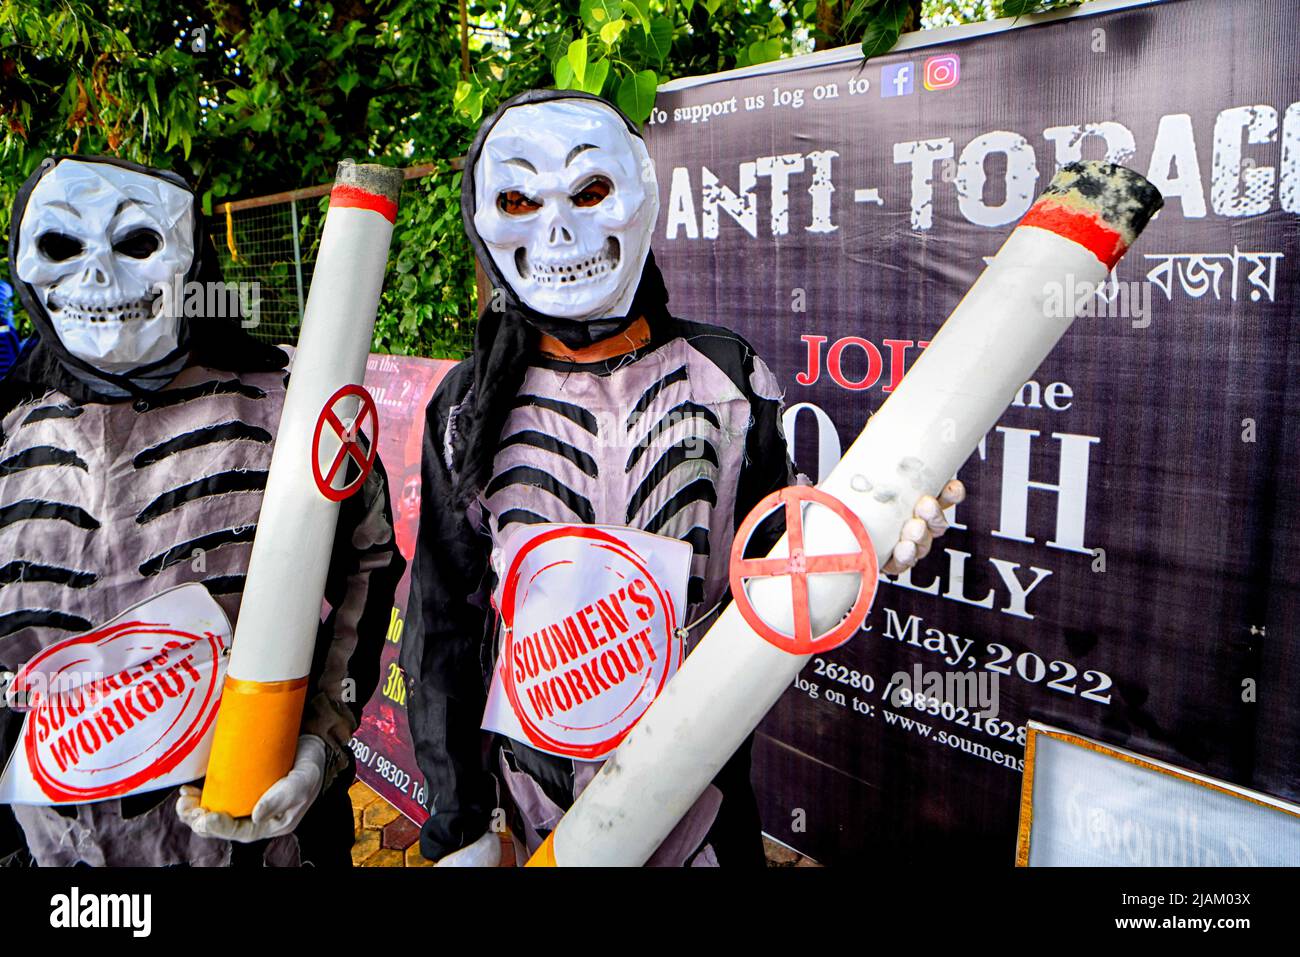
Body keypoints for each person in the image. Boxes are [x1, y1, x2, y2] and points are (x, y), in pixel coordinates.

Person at [401, 90, 964, 867]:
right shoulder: (466, 407)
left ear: (643, 194)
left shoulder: (729, 378)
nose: (559, 230)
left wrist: (863, 540)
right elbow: (444, 621)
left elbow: (773, 566)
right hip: (529, 806)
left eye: (590, 190)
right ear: (483, 222)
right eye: (518, 201)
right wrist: (459, 822)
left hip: (700, 803)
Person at [0, 155, 404, 866]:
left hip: (260, 836)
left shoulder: (290, 406)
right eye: (62, 246)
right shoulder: (8, 435)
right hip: (62, 856)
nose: (99, 278)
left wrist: (320, 739)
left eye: (137, 244)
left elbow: (366, 566)